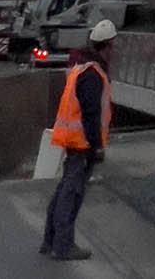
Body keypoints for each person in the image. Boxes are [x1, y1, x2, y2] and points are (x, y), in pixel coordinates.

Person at [41, 19, 117, 261]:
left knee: (65, 189)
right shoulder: (92, 74)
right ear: (105, 46)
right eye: (112, 47)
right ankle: (62, 245)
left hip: (73, 140)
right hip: (82, 143)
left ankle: (51, 240)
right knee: (71, 193)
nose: (114, 52)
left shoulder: (80, 68)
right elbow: (91, 114)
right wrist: (96, 147)